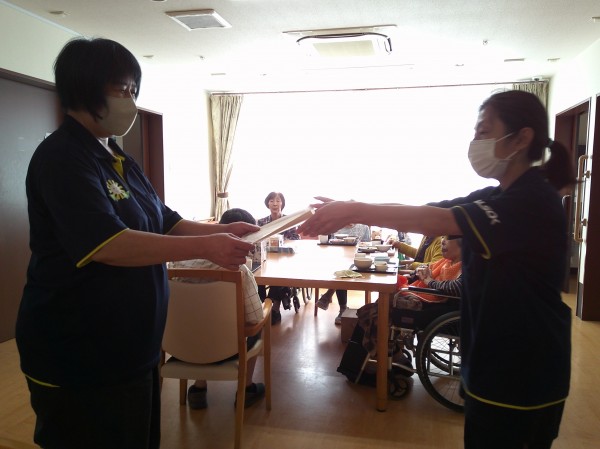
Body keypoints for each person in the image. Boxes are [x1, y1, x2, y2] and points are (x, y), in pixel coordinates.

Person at [15, 38, 258, 449]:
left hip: (133, 350)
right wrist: (206, 248)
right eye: (120, 89)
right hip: (79, 353)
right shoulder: (62, 157)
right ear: (85, 89)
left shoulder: (117, 157)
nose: (129, 100)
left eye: (133, 90)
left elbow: (165, 220)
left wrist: (222, 231)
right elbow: (108, 243)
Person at [298, 90, 574, 449]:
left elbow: (438, 220)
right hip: (492, 356)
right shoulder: (497, 196)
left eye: (484, 131)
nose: (475, 141)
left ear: (521, 138)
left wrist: (354, 211)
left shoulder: (530, 200)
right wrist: (350, 204)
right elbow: (427, 209)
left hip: (523, 366)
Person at [170, 208, 265, 410]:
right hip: (228, 350)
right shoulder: (239, 271)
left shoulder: (177, 263)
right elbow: (255, 319)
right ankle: (246, 389)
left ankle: (199, 387)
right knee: (257, 327)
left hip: (181, 344)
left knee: (197, 321)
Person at [357, 237, 463, 356]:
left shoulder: (466, 267)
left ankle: (387, 355)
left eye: (448, 238)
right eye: (443, 237)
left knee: (379, 309)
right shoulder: (446, 261)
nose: (443, 241)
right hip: (429, 300)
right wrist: (416, 274)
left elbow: (455, 287)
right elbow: (428, 268)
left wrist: (429, 281)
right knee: (381, 304)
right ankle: (386, 351)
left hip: (436, 307)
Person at [257, 191, 300, 324]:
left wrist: (281, 241)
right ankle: (260, 305)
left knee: (280, 273)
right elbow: (257, 239)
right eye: (272, 201)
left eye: (278, 201)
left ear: (282, 203)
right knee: (257, 273)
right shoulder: (261, 222)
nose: (275, 204)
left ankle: (274, 307)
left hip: (284, 258)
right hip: (266, 257)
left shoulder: (289, 221)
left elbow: (296, 239)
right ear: (267, 204)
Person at [316, 223, 371, 324]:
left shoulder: (364, 227)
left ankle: (330, 297)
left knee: (342, 271)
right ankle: (340, 306)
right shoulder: (336, 226)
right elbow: (332, 247)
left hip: (358, 262)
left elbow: (368, 247)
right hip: (340, 261)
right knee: (341, 269)